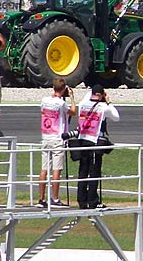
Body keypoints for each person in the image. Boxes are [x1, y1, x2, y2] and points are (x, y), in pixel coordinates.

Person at [73, 85, 121, 209]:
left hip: (83, 140)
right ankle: (93, 201)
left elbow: (87, 96)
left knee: (83, 171)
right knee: (94, 172)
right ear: (100, 95)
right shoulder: (103, 107)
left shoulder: (83, 104)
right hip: (94, 141)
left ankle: (82, 200)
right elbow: (116, 117)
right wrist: (108, 101)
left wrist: (96, 92)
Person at [38, 78, 75, 208]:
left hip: (45, 136)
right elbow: (73, 112)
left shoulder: (44, 100)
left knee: (44, 169)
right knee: (56, 169)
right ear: (64, 89)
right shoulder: (61, 104)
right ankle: (54, 198)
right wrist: (71, 97)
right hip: (57, 138)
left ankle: (41, 198)